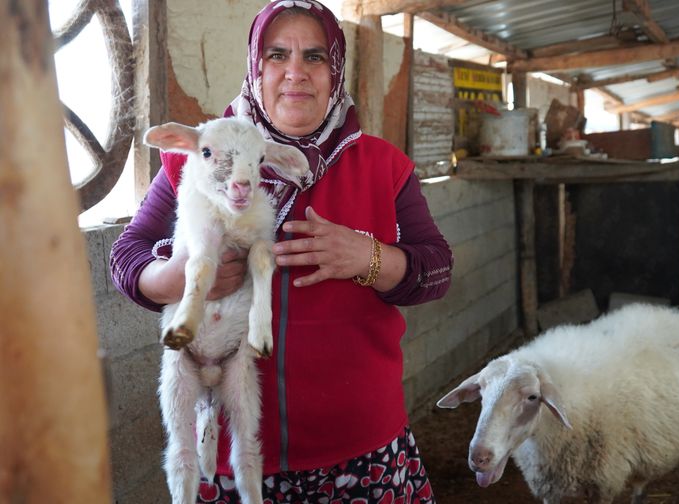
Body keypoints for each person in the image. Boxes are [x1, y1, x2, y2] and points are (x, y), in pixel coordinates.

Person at [110, 1, 452, 502]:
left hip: (361, 450)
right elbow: (125, 256)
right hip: (234, 456)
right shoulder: (200, 157)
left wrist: (370, 258)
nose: (296, 72)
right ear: (256, 67)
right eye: (277, 55)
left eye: (315, 57)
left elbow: (438, 269)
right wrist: (178, 276)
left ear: (336, 71)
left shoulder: (383, 166)